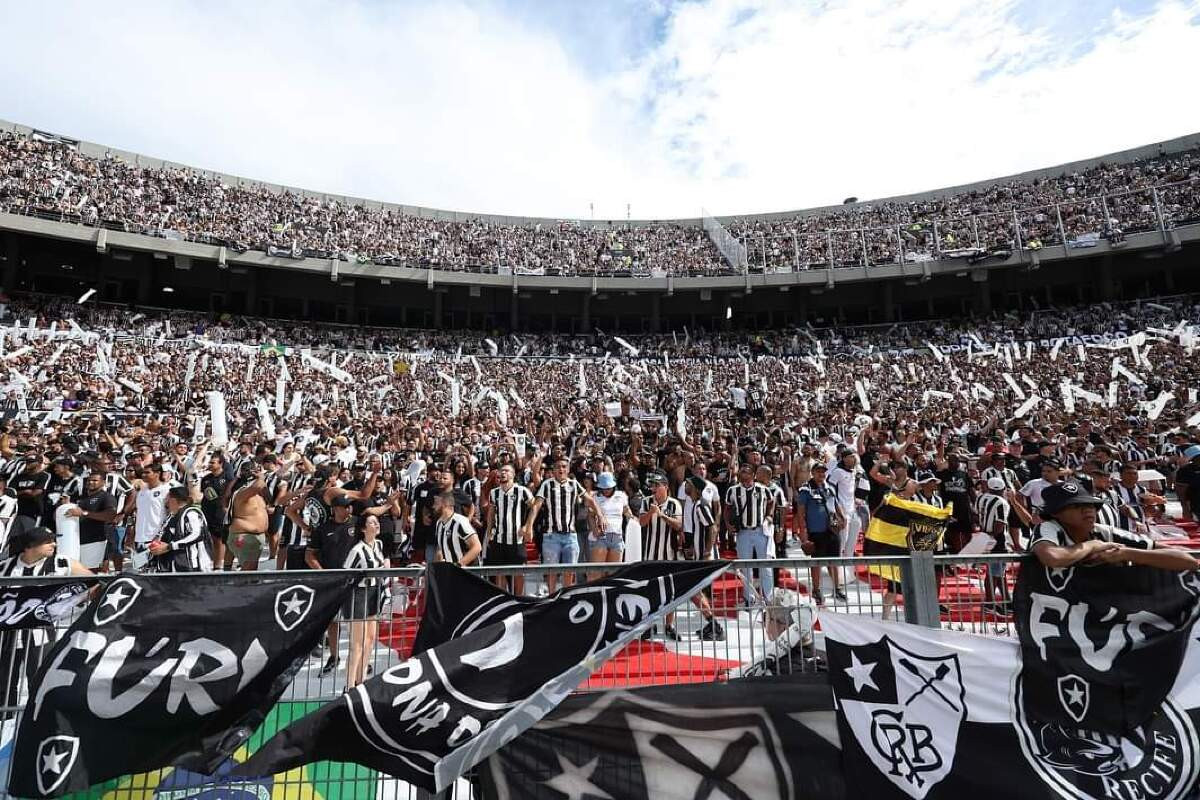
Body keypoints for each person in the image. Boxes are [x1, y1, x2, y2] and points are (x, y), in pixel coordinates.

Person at [0, 527, 92, 708]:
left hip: (41, 634)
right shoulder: (5, 567)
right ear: (30, 546)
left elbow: (93, 580)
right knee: (4, 682)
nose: (54, 544)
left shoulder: (60, 563)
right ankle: (6, 720)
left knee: (40, 679)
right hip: (8, 635)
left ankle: (36, 721)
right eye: (48, 541)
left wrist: (74, 599)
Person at [1029, 481, 1197, 573]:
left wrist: (1126, 553)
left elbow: (1188, 561)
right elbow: (1052, 557)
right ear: (1056, 513)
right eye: (1075, 506)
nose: (1087, 509)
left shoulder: (1106, 532)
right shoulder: (1049, 528)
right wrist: (1092, 545)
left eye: (1090, 505)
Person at [306, 495, 360, 677]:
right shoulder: (322, 529)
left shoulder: (358, 524)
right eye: (345, 506)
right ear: (335, 508)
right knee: (333, 621)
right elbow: (310, 555)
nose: (349, 509)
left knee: (355, 621)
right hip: (333, 581)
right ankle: (335, 656)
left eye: (350, 506)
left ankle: (359, 658)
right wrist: (323, 573)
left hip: (355, 580)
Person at [533, 457, 597, 594]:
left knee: (570, 572)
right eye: (558, 467)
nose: (561, 469)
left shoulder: (574, 484)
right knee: (552, 572)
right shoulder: (547, 485)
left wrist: (601, 516)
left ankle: (566, 598)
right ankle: (551, 599)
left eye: (563, 466)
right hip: (551, 536)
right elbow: (536, 506)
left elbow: (590, 500)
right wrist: (528, 526)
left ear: (568, 469)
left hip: (570, 536)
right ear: (554, 470)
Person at [342, 513, 387, 691]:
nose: (376, 524)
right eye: (371, 522)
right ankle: (349, 685)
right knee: (357, 644)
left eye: (377, 522)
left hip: (374, 592)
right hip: (357, 595)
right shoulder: (357, 550)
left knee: (369, 639)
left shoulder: (379, 545)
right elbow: (346, 574)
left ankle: (361, 681)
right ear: (363, 528)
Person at [725, 463, 775, 607]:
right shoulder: (732, 491)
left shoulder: (763, 489)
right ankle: (749, 598)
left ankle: (768, 597)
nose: (745, 475)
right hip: (743, 532)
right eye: (742, 473)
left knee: (765, 565)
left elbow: (771, 502)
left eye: (748, 473)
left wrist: (769, 516)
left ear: (753, 475)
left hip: (760, 530)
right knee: (745, 566)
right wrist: (728, 524)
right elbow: (727, 508)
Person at [794, 464, 845, 606]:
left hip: (832, 530)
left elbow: (836, 504)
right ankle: (816, 590)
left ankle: (837, 588)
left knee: (834, 560)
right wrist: (803, 535)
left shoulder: (830, 487)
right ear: (812, 472)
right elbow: (800, 513)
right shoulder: (806, 489)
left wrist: (842, 517)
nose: (821, 474)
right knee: (817, 562)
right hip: (816, 531)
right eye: (818, 471)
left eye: (823, 471)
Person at [485, 464, 534, 594]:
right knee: (499, 572)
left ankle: (518, 599)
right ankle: (504, 600)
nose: (503, 473)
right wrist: (489, 533)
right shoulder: (494, 492)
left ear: (512, 474)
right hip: (498, 539)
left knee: (518, 572)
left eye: (506, 471)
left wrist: (528, 526)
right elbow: (491, 514)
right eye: (501, 471)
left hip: (516, 539)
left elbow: (534, 507)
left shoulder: (522, 490)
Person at [146, 486, 210, 572]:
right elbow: (163, 538)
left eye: (167, 499)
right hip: (173, 567)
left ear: (173, 500)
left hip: (192, 568)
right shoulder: (171, 516)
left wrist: (169, 547)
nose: (165, 502)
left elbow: (197, 534)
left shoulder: (191, 513)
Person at [63, 472, 118, 569]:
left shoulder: (106, 497)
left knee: (92, 572)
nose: (90, 482)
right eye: (89, 480)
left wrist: (84, 513)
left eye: (95, 480)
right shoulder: (82, 498)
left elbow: (110, 516)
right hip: (77, 541)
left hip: (96, 541)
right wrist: (65, 506)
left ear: (103, 482)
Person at [227, 460, 270, 571]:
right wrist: (261, 478)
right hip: (243, 536)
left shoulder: (256, 495)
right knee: (247, 572)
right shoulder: (242, 492)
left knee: (251, 571)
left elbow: (266, 495)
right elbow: (257, 486)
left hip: (255, 537)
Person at [589, 472, 630, 574]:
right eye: (604, 488)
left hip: (617, 537)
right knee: (596, 573)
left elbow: (626, 511)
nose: (606, 490)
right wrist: (594, 530)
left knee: (614, 574)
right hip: (601, 537)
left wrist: (632, 518)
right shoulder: (595, 497)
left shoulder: (621, 495)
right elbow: (590, 516)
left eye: (608, 488)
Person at [199, 453, 230, 570]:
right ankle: (213, 563)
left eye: (213, 462)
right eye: (210, 462)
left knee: (220, 539)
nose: (210, 464)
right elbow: (205, 494)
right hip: (207, 511)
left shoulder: (227, 478)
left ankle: (219, 564)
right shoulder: (206, 478)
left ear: (221, 464)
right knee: (210, 538)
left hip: (220, 513)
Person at [435, 490, 482, 567]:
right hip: (451, 573)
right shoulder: (439, 523)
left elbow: (477, 547)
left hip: (467, 572)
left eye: (437, 503)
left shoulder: (460, 522)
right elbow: (440, 550)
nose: (433, 506)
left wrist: (459, 565)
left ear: (445, 504)